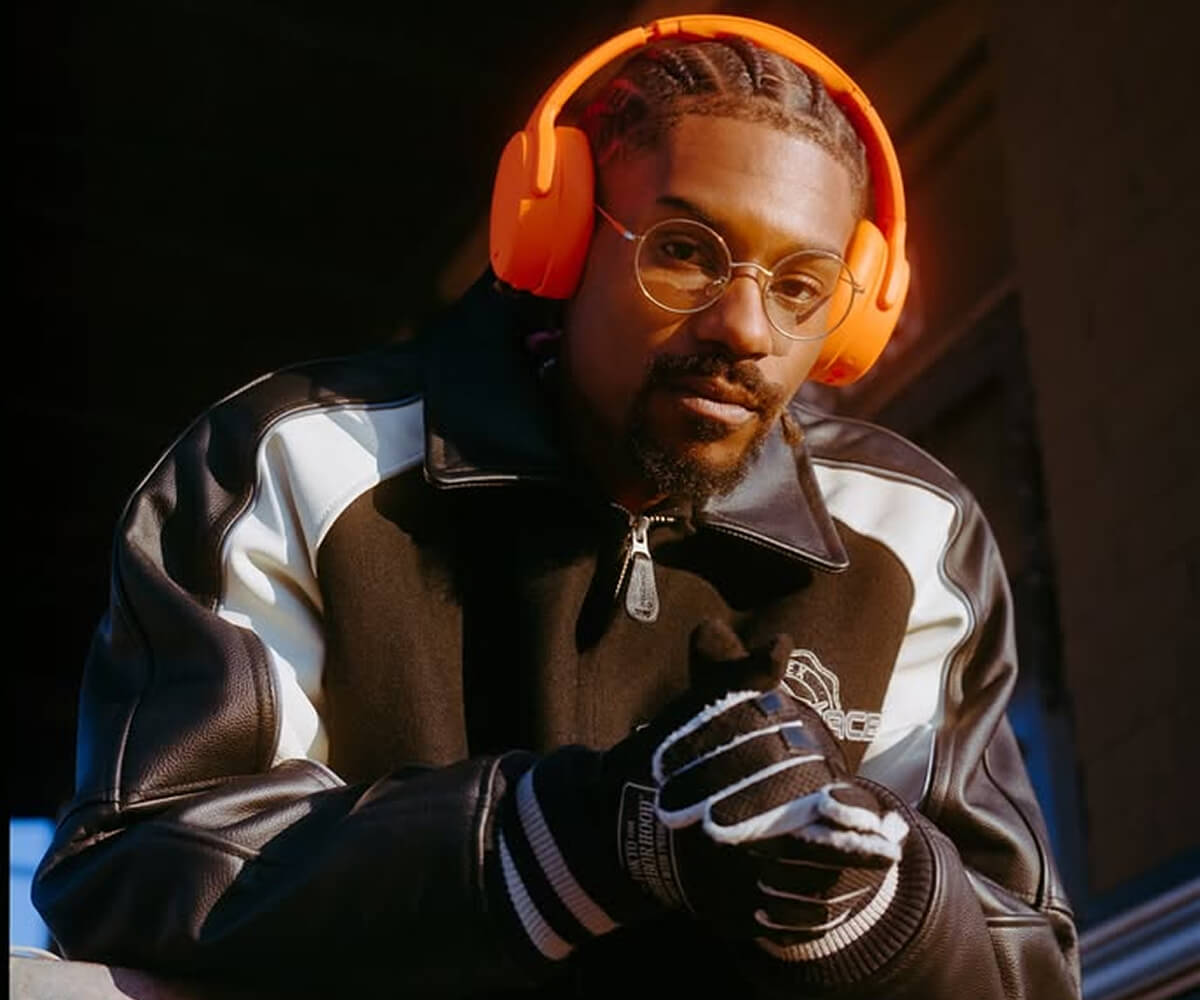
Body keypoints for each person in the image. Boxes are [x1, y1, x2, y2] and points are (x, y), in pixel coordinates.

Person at [33, 14, 1081, 999]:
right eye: (684, 252)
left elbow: (1026, 962)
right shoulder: (296, 462)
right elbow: (135, 867)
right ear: (560, 236)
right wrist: (571, 841)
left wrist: (878, 911)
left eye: (801, 285)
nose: (746, 327)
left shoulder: (913, 537)